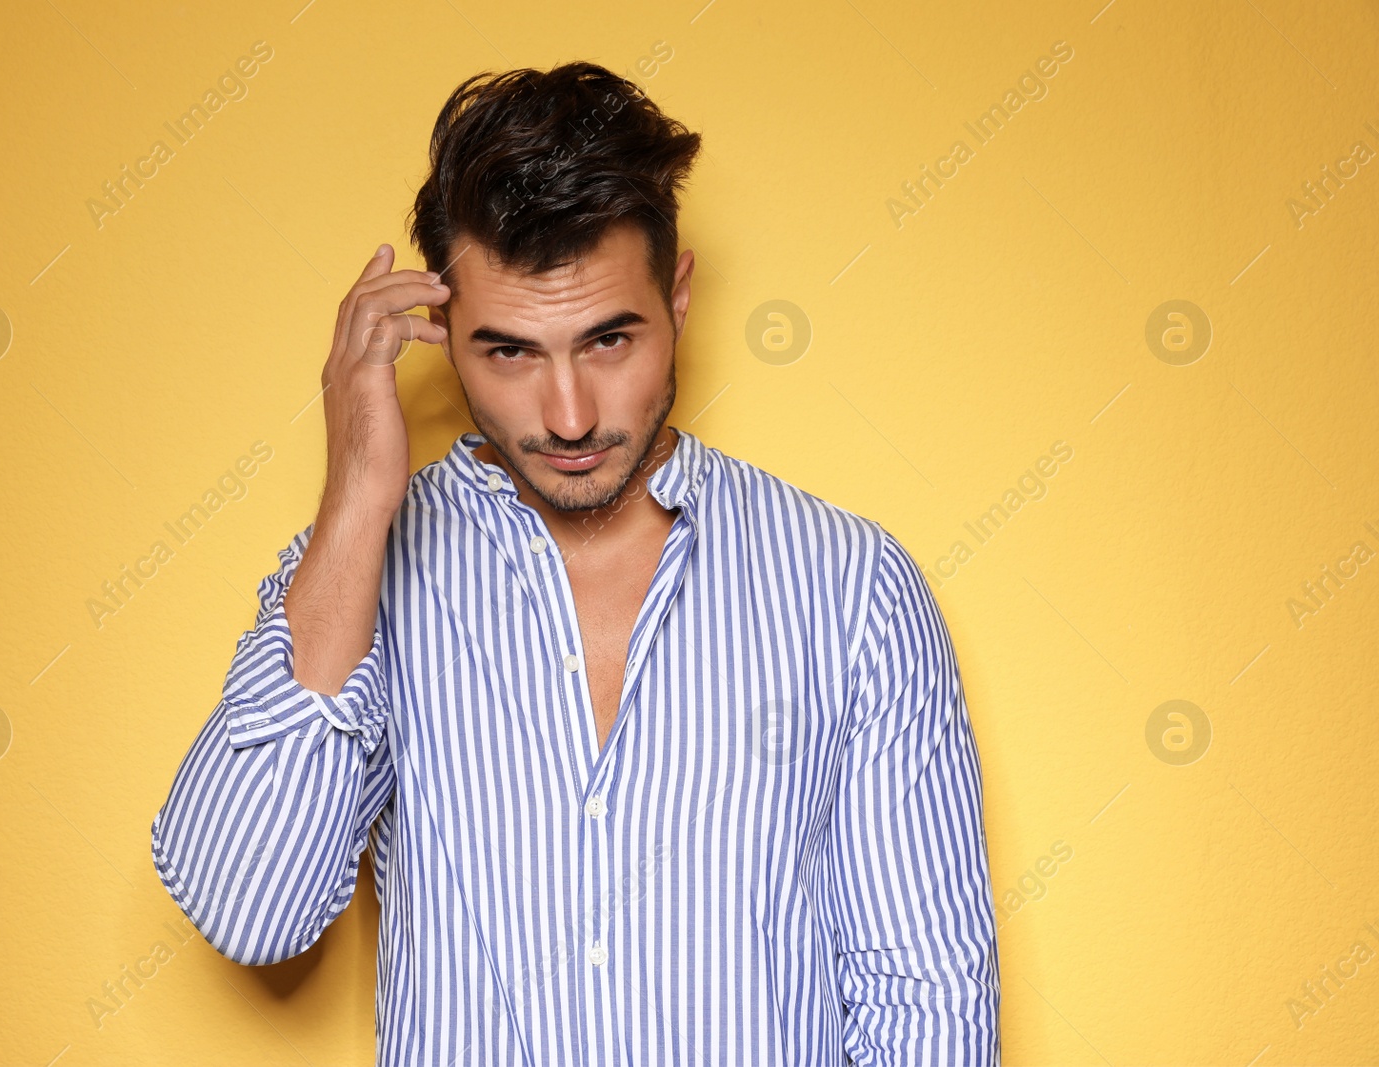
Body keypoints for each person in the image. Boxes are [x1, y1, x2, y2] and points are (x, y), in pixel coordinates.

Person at [150, 60, 1000, 1065]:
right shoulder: (358, 572)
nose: (568, 416)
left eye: (608, 339)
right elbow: (251, 907)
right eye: (508, 351)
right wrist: (355, 499)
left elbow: (926, 999)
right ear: (438, 335)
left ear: (676, 296)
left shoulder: (850, 588)